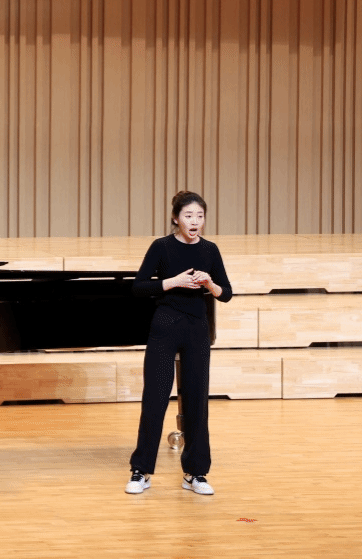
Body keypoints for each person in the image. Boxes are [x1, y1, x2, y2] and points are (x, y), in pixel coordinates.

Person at [125, 191, 233, 496]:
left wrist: (209, 283)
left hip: (197, 329)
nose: (195, 221)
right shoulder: (161, 247)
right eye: (188, 216)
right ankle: (141, 470)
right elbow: (138, 287)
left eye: (200, 216)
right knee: (155, 398)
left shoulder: (210, 250)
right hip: (165, 326)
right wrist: (173, 281)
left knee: (197, 401)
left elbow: (226, 293)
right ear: (176, 218)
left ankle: (196, 473)